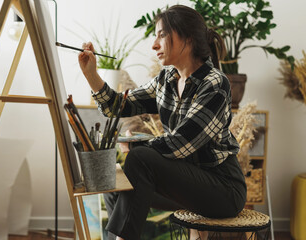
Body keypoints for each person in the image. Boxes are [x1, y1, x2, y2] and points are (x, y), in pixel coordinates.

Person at [78, 5, 246, 240]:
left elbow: (181, 143)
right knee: (119, 184)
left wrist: (136, 147)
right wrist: (91, 75)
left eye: (161, 35)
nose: (154, 44)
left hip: (222, 188)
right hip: (187, 180)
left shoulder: (214, 83)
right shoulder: (166, 80)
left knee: (139, 158)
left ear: (186, 37)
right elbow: (118, 106)